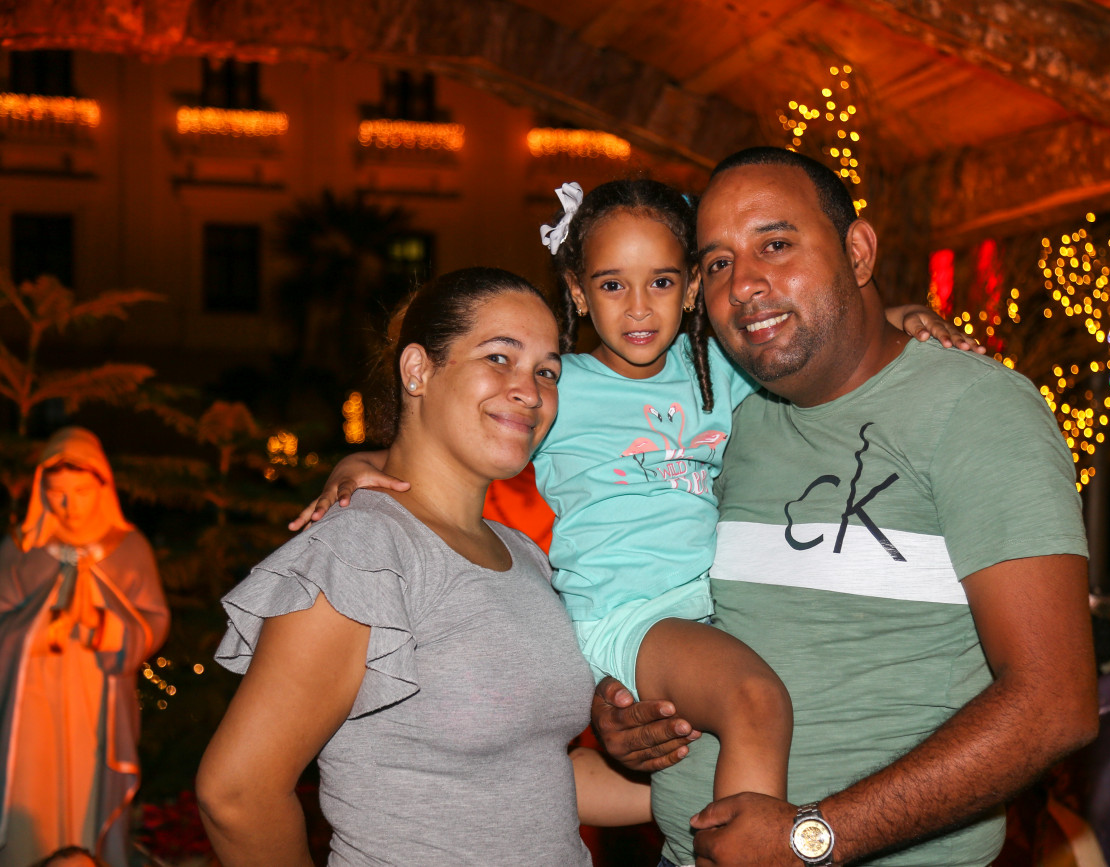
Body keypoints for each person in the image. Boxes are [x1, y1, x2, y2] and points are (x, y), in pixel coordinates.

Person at [294, 178, 976, 807]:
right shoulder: (562, 385)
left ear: (691, 288)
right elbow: (454, 440)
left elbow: (820, 344)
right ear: (579, 292)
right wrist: (355, 464)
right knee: (756, 701)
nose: (639, 306)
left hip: (710, 609)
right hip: (628, 612)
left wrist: (902, 316)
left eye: (662, 282)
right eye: (613, 285)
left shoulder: (722, 369)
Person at [592, 147, 1099, 867]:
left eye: (775, 244)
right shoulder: (724, 418)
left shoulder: (976, 408)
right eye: (718, 262)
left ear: (858, 252)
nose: (743, 284)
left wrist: (811, 836)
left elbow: (1055, 703)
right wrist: (625, 710)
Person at [196, 268, 647, 867]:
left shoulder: (524, 554)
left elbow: (535, 778)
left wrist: (719, 780)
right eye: (499, 357)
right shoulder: (364, 550)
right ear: (417, 371)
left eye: (547, 372)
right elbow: (236, 794)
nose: (531, 391)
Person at [0, 428, 169, 867]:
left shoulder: (129, 548)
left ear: (103, 488)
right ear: (42, 492)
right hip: (31, 702)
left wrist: (107, 628)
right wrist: (38, 631)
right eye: (57, 494)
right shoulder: (21, 549)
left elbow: (153, 619)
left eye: (80, 492)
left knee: (89, 784)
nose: (69, 505)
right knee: (32, 785)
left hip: (98, 698)